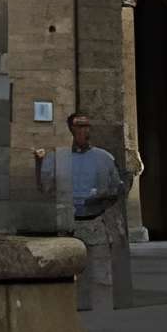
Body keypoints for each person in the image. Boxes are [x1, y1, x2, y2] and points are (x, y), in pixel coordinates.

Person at [35, 112, 131, 310]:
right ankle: (70, 314)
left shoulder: (104, 158)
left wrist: (105, 196)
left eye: (87, 126)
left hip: (95, 221)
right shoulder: (58, 158)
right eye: (79, 126)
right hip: (68, 225)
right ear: (71, 129)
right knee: (68, 275)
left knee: (101, 275)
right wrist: (38, 163)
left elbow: (118, 188)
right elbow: (45, 188)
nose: (84, 131)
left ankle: (104, 319)